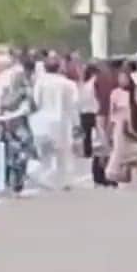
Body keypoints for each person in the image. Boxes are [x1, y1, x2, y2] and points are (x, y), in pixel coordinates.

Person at [28, 56, 80, 191]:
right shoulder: (69, 84)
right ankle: (65, 180)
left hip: (42, 120)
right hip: (63, 121)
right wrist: (76, 124)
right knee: (64, 153)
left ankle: (43, 175)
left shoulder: (40, 83)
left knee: (44, 152)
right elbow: (74, 106)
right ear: (60, 67)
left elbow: (36, 101)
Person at [0, 53, 38, 194]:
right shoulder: (20, 76)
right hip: (17, 117)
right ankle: (17, 177)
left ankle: (7, 177)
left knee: (6, 146)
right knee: (23, 146)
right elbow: (29, 98)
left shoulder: (2, 77)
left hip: (2, 117)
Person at [105, 68, 137, 184]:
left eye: (124, 78)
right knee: (119, 150)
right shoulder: (115, 93)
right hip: (120, 125)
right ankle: (116, 173)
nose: (121, 80)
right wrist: (109, 129)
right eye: (120, 78)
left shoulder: (135, 93)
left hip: (134, 125)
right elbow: (111, 113)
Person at [78, 65, 101, 158]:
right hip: (95, 110)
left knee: (87, 134)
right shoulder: (94, 81)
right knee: (100, 133)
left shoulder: (84, 84)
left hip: (85, 111)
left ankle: (87, 152)